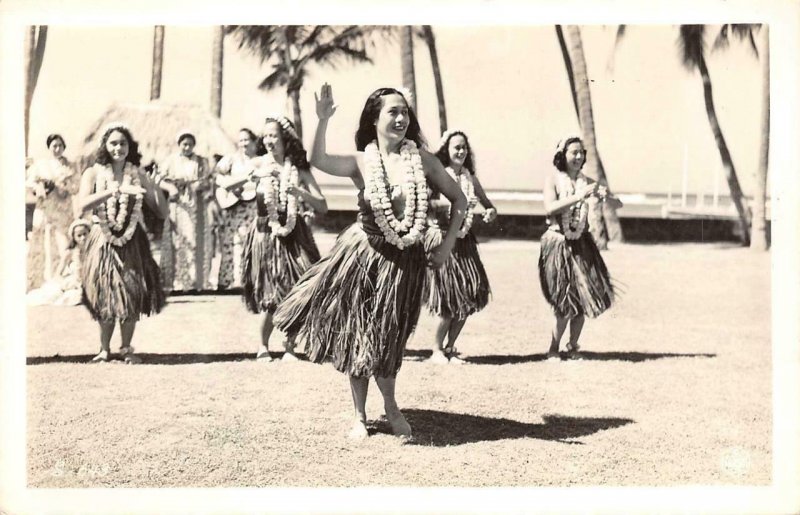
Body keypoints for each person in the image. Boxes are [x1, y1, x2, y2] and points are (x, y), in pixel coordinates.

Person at [274, 84, 467, 440]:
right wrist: (321, 120)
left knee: (390, 339)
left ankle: (391, 407)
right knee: (359, 335)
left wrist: (445, 247)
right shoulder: (363, 160)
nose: (400, 118)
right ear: (374, 119)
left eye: (404, 112)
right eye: (392, 111)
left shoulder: (422, 161)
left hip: (403, 264)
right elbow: (319, 160)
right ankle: (360, 415)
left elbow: (459, 201)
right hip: (363, 258)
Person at [77, 123, 169, 363]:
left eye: (123, 143)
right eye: (113, 143)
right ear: (105, 146)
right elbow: (82, 206)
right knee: (105, 291)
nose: (118, 147)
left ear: (130, 146)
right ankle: (104, 348)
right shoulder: (93, 173)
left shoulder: (138, 174)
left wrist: (154, 186)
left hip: (132, 241)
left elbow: (161, 212)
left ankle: (126, 347)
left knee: (131, 289)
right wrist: (113, 192)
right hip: (102, 239)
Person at [243, 116, 326, 362]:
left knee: (297, 288)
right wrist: (252, 177)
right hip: (264, 234)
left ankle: (290, 347)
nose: (268, 141)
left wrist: (299, 192)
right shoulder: (257, 163)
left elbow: (322, 205)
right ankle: (263, 347)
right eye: (265, 136)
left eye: (274, 136)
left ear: (286, 139)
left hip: (295, 233)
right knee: (270, 292)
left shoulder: (299, 169)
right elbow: (226, 183)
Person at [539, 135, 623, 360]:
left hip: (582, 244)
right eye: (573, 152)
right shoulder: (554, 180)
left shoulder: (587, 182)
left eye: (581, 153)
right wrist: (578, 196)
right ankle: (553, 349)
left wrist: (607, 196)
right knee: (564, 301)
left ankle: (573, 346)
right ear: (562, 156)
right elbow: (550, 208)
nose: (578, 157)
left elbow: (618, 204)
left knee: (583, 297)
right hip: (558, 244)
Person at [425, 129, 497, 365]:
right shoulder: (437, 175)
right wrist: (447, 205)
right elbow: (425, 204)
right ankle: (436, 349)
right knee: (448, 299)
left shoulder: (470, 178)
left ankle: (450, 347)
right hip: (443, 239)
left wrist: (489, 212)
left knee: (468, 295)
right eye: (456, 147)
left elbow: (488, 205)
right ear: (446, 150)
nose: (461, 151)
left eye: (464, 147)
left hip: (464, 241)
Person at [158, 131, 214, 291]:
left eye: (190, 144)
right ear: (179, 145)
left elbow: (209, 180)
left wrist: (200, 185)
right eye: (184, 144)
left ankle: (198, 281)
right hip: (178, 205)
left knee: (198, 238)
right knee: (179, 239)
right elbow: (159, 179)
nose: (187, 147)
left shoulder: (201, 161)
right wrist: (171, 188)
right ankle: (180, 281)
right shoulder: (170, 160)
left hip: (197, 204)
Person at [26, 134, 80, 290]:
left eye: (59, 146)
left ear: (64, 147)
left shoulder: (70, 166)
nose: (57, 149)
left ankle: (62, 278)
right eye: (54, 146)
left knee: (63, 242)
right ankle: (43, 280)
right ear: (49, 147)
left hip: (63, 209)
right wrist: (41, 188)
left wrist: (64, 186)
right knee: (46, 241)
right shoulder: (41, 166)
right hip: (46, 208)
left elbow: (76, 187)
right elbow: (30, 185)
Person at [214, 129, 264, 290]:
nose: (243, 144)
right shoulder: (232, 159)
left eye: (246, 140)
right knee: (234, 241)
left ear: (254, 141)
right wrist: (230, 185)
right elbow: (217, 176)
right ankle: (231, 280)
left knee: (251, 241)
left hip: (254, 205)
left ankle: (250, 281)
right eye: (240, 140)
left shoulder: (261, 160)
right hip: (235, 205)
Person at [26, 218, 91, 307]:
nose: (83, 238)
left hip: (89, 281)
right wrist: (66, 283)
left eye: (85, 234)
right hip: (74, 281)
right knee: (65, 295)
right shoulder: (70, 253)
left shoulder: (93, 251)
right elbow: (58, 273)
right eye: (79, 235)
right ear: (74, 237)